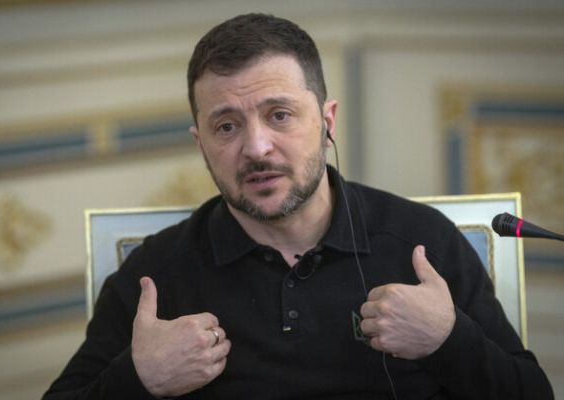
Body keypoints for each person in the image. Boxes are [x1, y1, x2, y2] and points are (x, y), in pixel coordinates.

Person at [43, 13, 553, 400]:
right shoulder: (156, 274)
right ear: (201, 144)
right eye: (227, 126)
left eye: (279, 115)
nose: (256, 147)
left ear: (327, 122)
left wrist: (448, 340)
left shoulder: (422, 240)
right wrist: (138, 379)